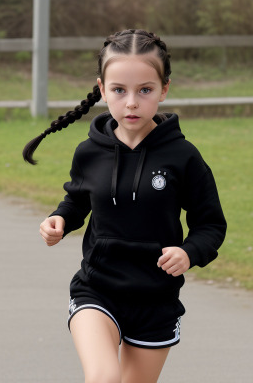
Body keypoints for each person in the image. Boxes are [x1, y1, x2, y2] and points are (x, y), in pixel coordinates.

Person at [23, 29, 227, 383]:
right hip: (97, 288)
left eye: (145, 90)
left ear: (164, 89)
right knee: (103, 376)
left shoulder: (184, 157)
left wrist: (189, 253)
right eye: (119, 90)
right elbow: (78, 199)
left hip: (155, 297)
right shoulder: (89, 152)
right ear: (102, 89)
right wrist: (59, 219)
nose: (131, 102)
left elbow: (211, 224)